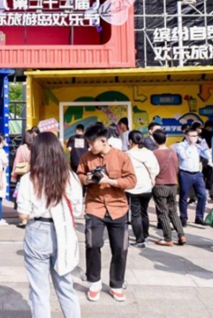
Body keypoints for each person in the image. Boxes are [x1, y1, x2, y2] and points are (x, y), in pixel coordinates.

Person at [17, 132, 83, 318]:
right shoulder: (70, 177)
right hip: (64, 231)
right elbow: (77, 210)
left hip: (37, 231)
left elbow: (23, 214)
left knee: (39, 290)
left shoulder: (28, 179)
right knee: (65, 285)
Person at [77, 124, 136, 303]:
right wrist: (87, 179)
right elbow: (79, 175)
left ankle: (116, 284)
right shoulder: (86, 157)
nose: (89, 146)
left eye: (92, 143)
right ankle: (94, 282)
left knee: (120, 248)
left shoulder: (121, 156)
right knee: (92, 244)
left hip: (118, 207)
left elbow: (132, 180)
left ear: (104, 141)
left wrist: (110, 181)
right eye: (88, 143)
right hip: (95, 206)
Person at [125, 130, 159, 248]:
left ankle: (140, 240)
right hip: (147, 187)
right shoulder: (149, 153)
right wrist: (152, 179)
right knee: (144, 212)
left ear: (130, 141)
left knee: (136, 214)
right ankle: (146, 235)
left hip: (133, 188)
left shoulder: (127, 154)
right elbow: (155, 169)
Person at [151, 130, 186, 246]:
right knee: (173, 211)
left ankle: (168, 238)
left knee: (163, 212)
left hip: (160, 185)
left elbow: (152, 169)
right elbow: (176, 168)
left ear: (155, 140)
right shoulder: (173, 152)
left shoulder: (154, 153)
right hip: (173, 184)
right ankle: (181, 235)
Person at [175, 126, 211, 227]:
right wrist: (190, 145)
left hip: (197, 173)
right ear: (186, 136)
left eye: (196, 136)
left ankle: (199, 217)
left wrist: (204, 147)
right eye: (192, 136)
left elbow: (208, 156)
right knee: (184, 196)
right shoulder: (181, 146)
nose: (194, 138)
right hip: (185, 173)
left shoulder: (198, 147)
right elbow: (184, 156)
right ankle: (183, 218)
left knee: (202, 195)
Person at [12, 130, 34, 228]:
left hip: (23, 174)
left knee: (23, 195)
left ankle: (24, 221)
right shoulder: (36, 147)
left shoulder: (21, 148)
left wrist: (13, 175)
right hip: (34, 174)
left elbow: (16, 162)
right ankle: (32, 217)